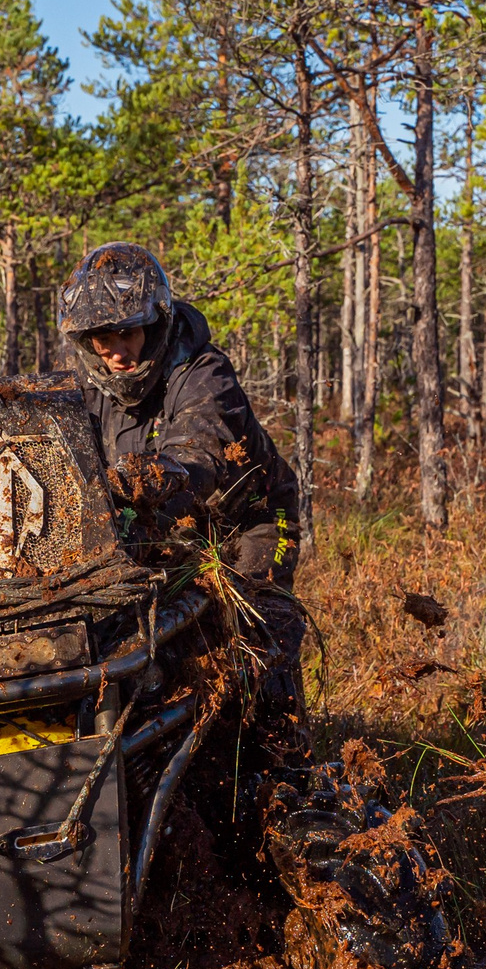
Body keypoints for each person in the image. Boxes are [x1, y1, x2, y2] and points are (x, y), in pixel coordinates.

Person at [54, 242, 306, 751]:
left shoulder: (203, 372)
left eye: (127, 333)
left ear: (155, 325)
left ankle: (286, 762)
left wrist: (151, 481)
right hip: (154, 526)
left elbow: (200, 453)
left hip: (248, 518)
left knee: (260, 630)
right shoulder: (83, 387)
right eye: (102, 338)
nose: (116, 352)